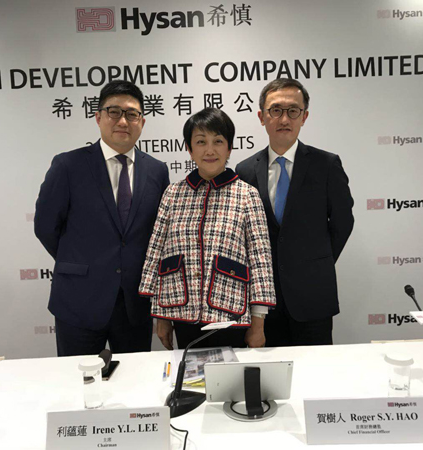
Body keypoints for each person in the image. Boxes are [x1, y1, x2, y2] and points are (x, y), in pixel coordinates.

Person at [34, 80, 170, 356]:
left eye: (132, 114)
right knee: (79, 378)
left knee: (135, 379)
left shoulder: (157, 171)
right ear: (98, 117)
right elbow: (46, 227)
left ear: (142, 122)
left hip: (134, 304)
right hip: (79, 299)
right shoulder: (68, 165)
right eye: (114, 112)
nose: (123, 121)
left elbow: (159, 234)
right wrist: (81, 261)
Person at [138, 108, 275, 350]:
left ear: (229, 148)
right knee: (191, 373)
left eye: (218, 141)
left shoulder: (247, 195)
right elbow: (157, 254)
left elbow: (260, 261)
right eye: (201, 142)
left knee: (230, 374)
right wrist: (160, 317)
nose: (210, 150)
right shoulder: (173, 194)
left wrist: (258, 323)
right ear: (189, 149)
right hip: (181, 312)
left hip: (231, 313)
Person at [236, 78, 354, 347]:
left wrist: (316, 262)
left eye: (293, 111)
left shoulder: (326, 165)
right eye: (275, 110)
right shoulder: (245, 170)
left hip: (313, 295)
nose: (284, 119)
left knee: (317, 371)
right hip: (264, 303)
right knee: (268, 372)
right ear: (261, 117)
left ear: (304, 116)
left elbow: (343, 223)